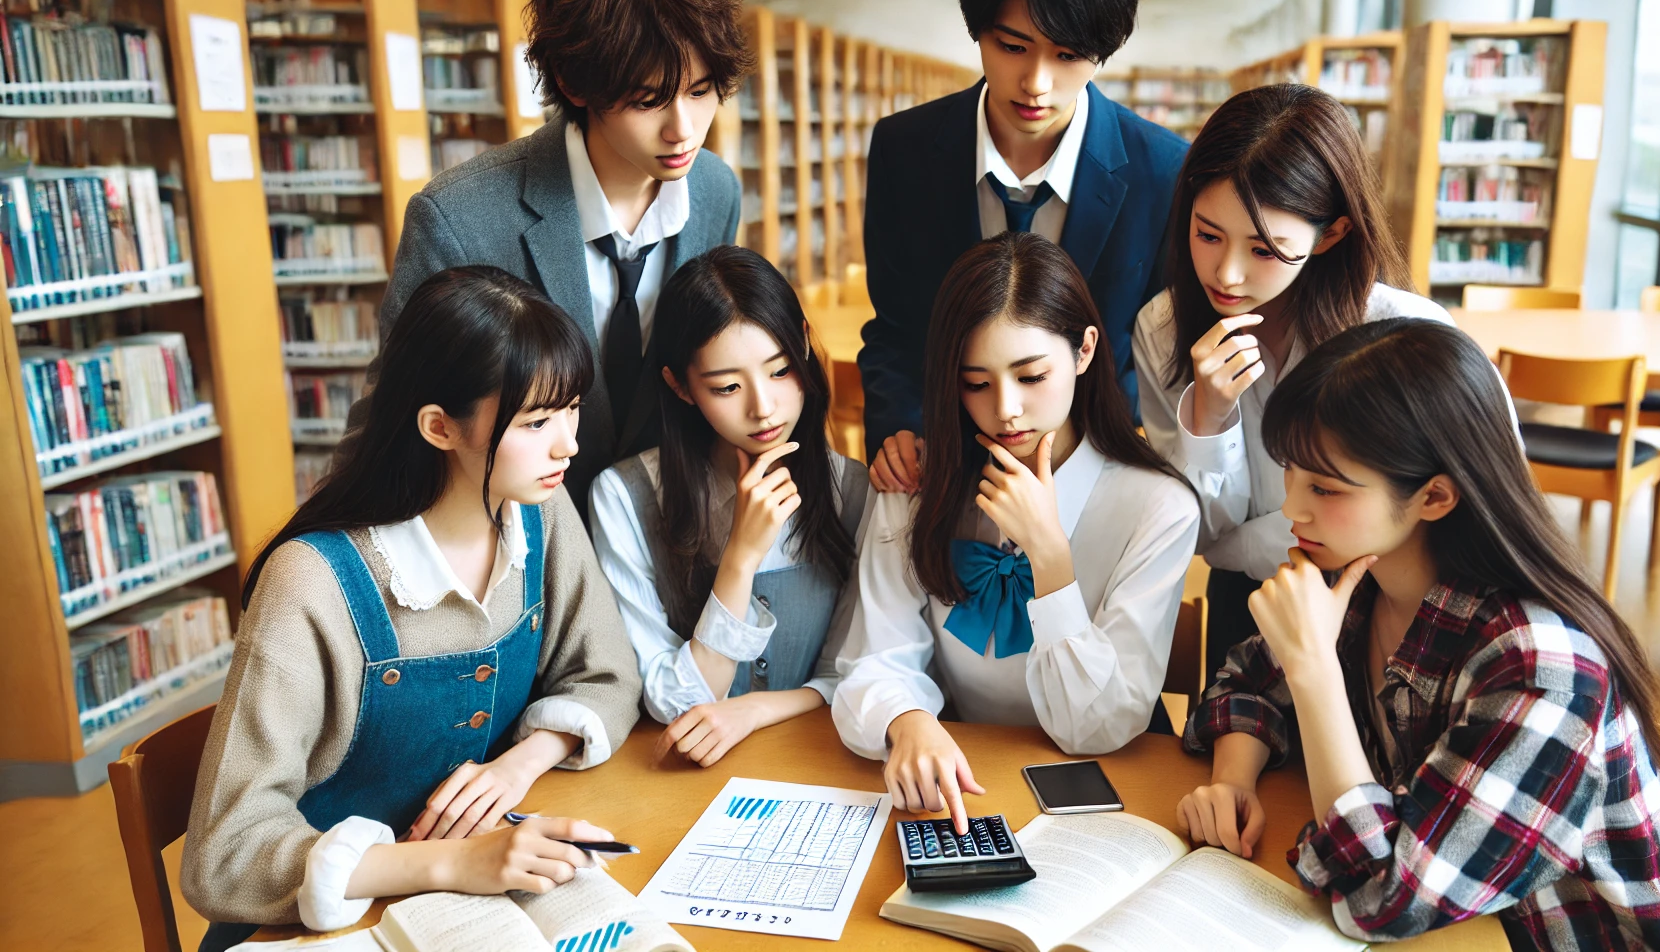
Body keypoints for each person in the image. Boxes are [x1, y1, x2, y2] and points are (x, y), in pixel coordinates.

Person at [1178, 318, 1660, 951]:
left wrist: (1314, 669)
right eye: (1291, 473)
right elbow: (1245, 681)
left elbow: (1381, 898)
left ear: (1434, 497)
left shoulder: (1544, 670)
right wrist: (1235, 779)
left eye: (1325, 487)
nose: (1293, 508)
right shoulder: (1364, 580)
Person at [183, 268, 643, 951]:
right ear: (438, 427)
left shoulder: (540, 512)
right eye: (538, 421)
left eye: (573, 409)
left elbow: (609, 675)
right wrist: (454, 862)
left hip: (465, 906)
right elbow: (222, 857)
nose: (568, 444)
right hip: (318, 927)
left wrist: (518, 764)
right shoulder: (312, 581)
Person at [347, 0, 749, 521]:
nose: (683, 129)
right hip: (515, 545)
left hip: (663, 536)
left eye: (700, 91)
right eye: (647, 99)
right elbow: (391, 420)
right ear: (574, 83)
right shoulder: (459, 217)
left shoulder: (715, 190)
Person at [834, 232, 1200, 833]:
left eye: (1031, 377)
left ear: (1084, 351)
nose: (1005, 409)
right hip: (958, 788)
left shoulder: (1159, 507)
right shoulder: (917, 484)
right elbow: (873, 656)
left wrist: (1051, 558)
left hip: (1104, 803)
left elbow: (1097, 726)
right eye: (976, 383)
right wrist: (907, 719)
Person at [1131, 82, 1456, 684]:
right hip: (1253, 610)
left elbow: (1464, 512)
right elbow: (1193, 530)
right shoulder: (1163, 328)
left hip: (1396, 606)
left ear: (1329, 235)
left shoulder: (1405, 336)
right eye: (1207, 235)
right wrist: (1208, 418)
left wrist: (1233, 545)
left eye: (1265, 249)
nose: (1226, 273)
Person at [858, 0, 1187, 495]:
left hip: (1091, 475)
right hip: (937, 473)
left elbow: (1153, 349)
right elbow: (895, 326)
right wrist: (899, 429)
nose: (1037, 83)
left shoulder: (1163, 170)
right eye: (1012, 47)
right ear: (977, 28)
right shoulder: (903, 149)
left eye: (1068, 55)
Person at [591, 246, 870, 767]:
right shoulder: (624, 497)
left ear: (805, 344)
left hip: (821, 761)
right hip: (681, 784)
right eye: (727, 387)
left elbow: (854, 671)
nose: (763, 408)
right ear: (680, 386)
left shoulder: (850, 489)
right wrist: (740, 555)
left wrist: (757, 710)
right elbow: (671, 702)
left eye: (781, 371)